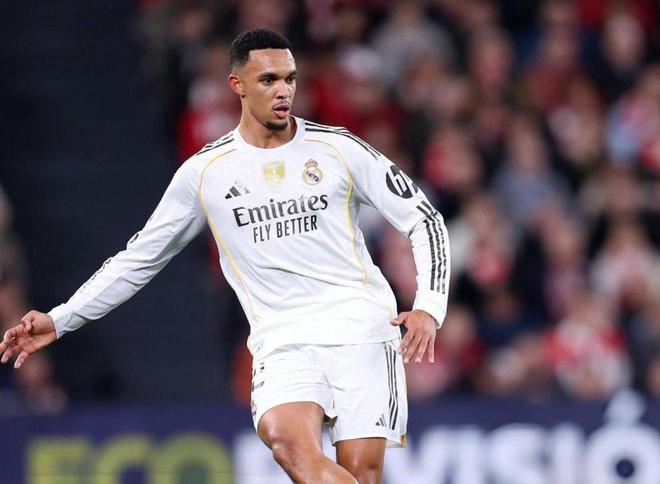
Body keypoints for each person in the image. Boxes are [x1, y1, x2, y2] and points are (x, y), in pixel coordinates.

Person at [0, 29, 449, 483]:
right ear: (237, 85)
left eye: (290, 79)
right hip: (282, 342)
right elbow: (138, 259)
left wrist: (429, 306)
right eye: (269, 79)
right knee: (287, 442)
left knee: (362, 475)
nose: (283, 91)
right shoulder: (206, 173)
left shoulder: (339, 148)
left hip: (361, 331)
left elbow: (425, 218)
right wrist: (62, 318)